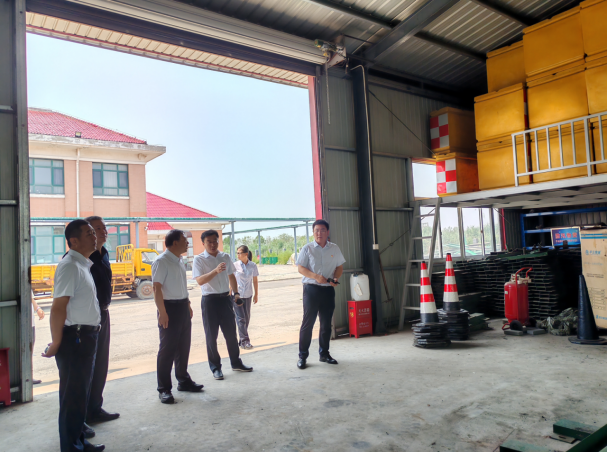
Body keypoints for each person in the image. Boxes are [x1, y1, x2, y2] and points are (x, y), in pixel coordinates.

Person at [42, 219, 105, 452]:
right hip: (74, 340)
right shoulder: (69, 266)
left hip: (86, 337)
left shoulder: (82, 264)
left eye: (94, 233)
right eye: (89, 234)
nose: (95, 236)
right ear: (74, 241)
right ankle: (71, 447)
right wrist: (56, 342)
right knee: (73, 397)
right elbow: (58, 307)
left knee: (80, 395)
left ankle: (78, 441)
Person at [192, 230, 253, 380]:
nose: (213, 244)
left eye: (215, 241)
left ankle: (236, 363)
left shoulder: (225, 256)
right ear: (203, 243)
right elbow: (200, 281)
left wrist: (236, 293)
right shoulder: (199, 259)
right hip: (209, 301)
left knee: (231, 334)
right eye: (209, 242)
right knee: (211, 336)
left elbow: (231, 276)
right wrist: (216, 271)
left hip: (226, 299)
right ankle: (215, 368)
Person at [153, 229, 203, 404]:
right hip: (169, 308)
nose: (187, 243)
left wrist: (187, 304)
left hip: (182, 306)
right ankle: (164, 389)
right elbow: (156, 288)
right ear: (174, 242)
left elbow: (181, 285)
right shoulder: (161, 261)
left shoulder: (179, 260)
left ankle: (183, 380)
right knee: (167, 350)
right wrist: (162, 312)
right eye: (184, 240)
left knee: (183, 347)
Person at [295, 219, 345, 370]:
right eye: (316, 230)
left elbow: (339, 267)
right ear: (313, 232)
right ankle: (302, 356)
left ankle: (324, 354)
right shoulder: (307, 248)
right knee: (307, 324)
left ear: (327, 232)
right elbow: (301, 268)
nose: (319, 233)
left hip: (328, 290)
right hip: (311, 290)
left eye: (322, 230)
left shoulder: (334, 248)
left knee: (326, 324)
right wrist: (315, 276)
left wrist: (336, 278)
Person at [84, 216, 120, 426]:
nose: (103, 231)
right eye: (97, 228)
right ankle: (82, 417)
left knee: (100, 364)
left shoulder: (104, 254)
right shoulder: (82, 258)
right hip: (87, 317)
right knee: (86, 366)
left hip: (103, 314)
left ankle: (95, 409)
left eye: (104, 227)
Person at [233, 245, 259, 349]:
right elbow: (232, 280)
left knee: (246, 318)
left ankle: (241, 340)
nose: (238, 255)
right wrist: (230, 293)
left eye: (239, 253)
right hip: (237, 295)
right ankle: (245, 341)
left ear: (246, 254)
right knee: (241, 319)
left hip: (248, 295)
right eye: (237, 253)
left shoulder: (253, 265)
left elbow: (255, 281)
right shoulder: (235, 265)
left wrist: (256, 294)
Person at [31, 290, 44, 384]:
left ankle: (28, 375)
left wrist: (38, 309)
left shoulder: (26, 284)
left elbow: (30, 298)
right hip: (24, 323)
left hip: (31, 323)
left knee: (29, 351)